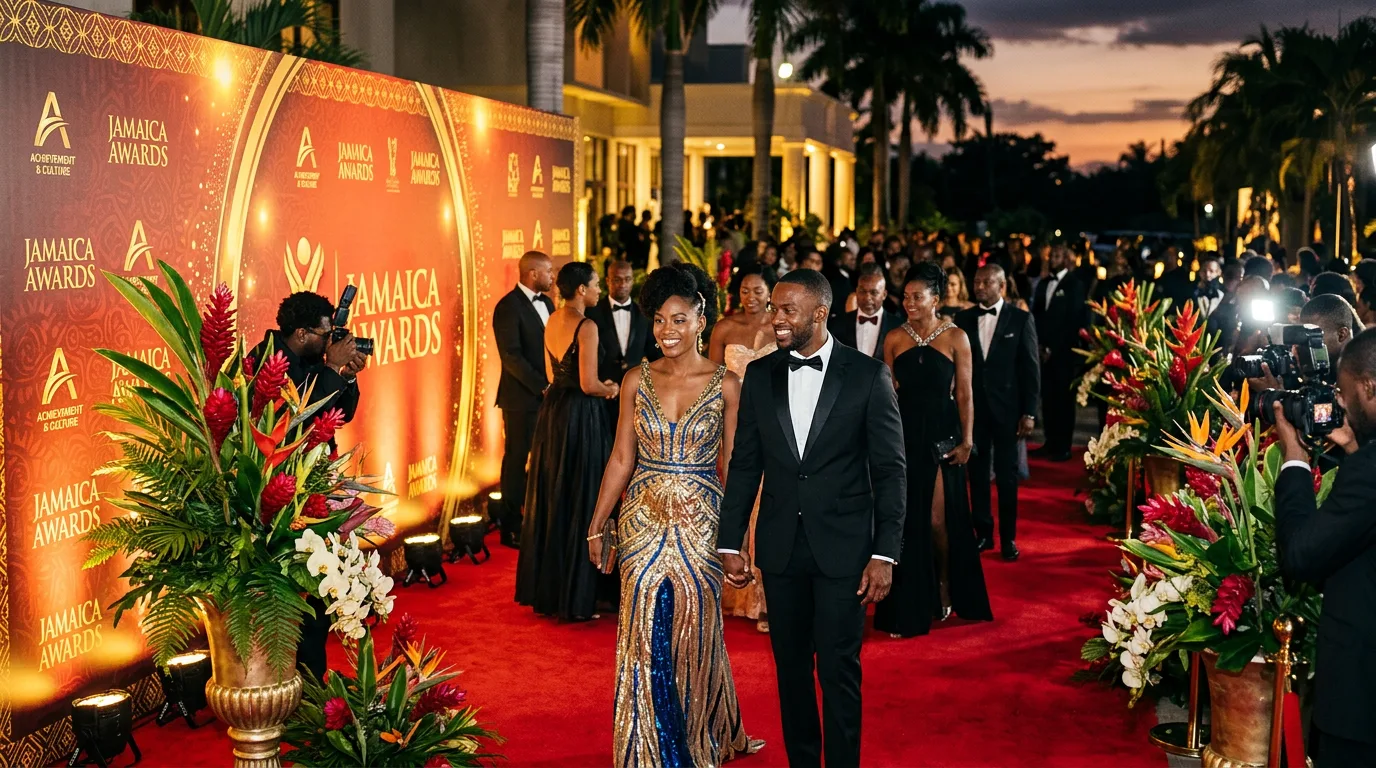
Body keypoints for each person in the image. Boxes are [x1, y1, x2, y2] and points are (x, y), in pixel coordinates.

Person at [719, 269, 906, 768]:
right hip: (780, 549)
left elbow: (891, 470)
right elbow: (745, 463)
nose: (775, 319)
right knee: (791, 671)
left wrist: (884, 553)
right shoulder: (760, 374)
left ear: (819, 313)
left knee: (840, 669)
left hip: (845, 551)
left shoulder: (867, 376)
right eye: (774, 309)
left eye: (787, 311)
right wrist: (730, 540)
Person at [588, 263, 761, 765]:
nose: (667, 331)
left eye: (679, 320)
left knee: (695, 629)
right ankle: (650, 749)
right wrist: (597, 524)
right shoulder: (634, 380)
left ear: (700, 319)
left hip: (703, 521)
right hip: (642, 518)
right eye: (660, 320)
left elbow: (733, 468)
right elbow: (622, 457)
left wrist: (738, 540)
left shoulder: (727, 384)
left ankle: (699, 732)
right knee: (644, 629)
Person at [1271, 328, 1376, 767]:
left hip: (1362, 704)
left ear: (1369, 387)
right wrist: (1353, 449)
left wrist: (1293, 456)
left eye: (1345, 393)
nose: (1341, 403)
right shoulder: (1367, 464)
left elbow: (1300, 556)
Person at [251, 291, 366, 683]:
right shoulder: (269, 359)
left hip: (314, 482)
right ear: (301, 333)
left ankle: (313, 682)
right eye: (326, 332)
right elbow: (296, 417)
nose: (332, 339)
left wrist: (344, 375)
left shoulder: (315, 359)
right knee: (291, 598)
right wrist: (332, 368)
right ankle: (289, 684)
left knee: (317, 592)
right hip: (278, 492)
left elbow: (338, 415)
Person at [875, 262, 992, 638]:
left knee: (939, 521)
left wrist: (968, 440)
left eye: (917, 297)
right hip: (903, 437)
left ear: (935, 299)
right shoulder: (894, 338)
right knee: (906, 521)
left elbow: (966, 394)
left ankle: (944, 584)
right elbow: (886, 395)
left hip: (942, 437)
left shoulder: (956, 337)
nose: (909, 302)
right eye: (906, 296)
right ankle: (912, 601)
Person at [515, 262, 620, 621]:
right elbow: (590, 383)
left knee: (557, 496)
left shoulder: (552, 319)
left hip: (554, 414)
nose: (598, 292)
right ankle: (580, 596)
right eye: (594, 286)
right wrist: (612, 389)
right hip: (582, 417)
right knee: (585, 495)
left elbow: (551, 374)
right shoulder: (586, 325)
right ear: (580, 290)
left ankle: (555, 592)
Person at [709, 264, 779, 631]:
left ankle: (767, 597)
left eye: (757, 291)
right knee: (738, 498)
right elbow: (709, 380)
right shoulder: (724, 328)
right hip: (733, 426)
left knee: (769, 504)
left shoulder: (781, 327)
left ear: (771, 292)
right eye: (745, 291)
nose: (750, 298)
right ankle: (736, 590)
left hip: (774, 425)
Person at [955, 265, 1040, 561]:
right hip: (973, 410)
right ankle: (984, 534)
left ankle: (1009, 539)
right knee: (976, 475)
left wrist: (1029, 412)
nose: (979, 286)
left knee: (1007, 477)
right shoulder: (963, 319)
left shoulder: (1021, 318)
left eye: (986, 282)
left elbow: (1031, 368)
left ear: (1002, 285)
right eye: (976, 281)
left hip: (1008, 411)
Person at [493, 251, 555, 549]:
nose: (552, 277)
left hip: (549, 398)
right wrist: (541, 386)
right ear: (533, 273)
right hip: (519, 399)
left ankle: (539, 521)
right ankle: (510, 526)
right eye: (548, 271)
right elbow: (510, 357)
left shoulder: (549, 303)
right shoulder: (507, 307)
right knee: (516, 462)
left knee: (545, 462)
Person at [1032, 244, 1089, 462]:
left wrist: (1053, 348)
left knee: (1064, 400)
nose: (1052, 259)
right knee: (1047, 398)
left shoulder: (1075, 284)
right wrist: (1038, 345)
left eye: (1057, 256)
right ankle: (1049, 441)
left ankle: (1063, 446)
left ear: (1066, 259)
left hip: (1063, 352)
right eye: (1051, 255)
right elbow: (1037, 315)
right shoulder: (1044, 283)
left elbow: (1073, 321)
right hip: (1042, 351)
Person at [587, 259, 659, 426]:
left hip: (634, 393)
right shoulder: (593, 313)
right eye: (617, 279)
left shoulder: (644, 315)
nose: (622, 284)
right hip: (601, 392)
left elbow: (654, 353)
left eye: (627, 279)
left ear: (633, 281)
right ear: (608, 281)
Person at [829, 265, 903, 358]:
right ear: (856, 292)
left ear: (884, 295)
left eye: (874, 293)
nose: (867, 298)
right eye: (862, 292)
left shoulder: (898, 326)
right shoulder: (837, 323)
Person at [1299, 294, 1364, 364]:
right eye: (1304, 336)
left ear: (1341, 335)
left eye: (1314, 335)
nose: (1305, 345)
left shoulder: (1368, 370)